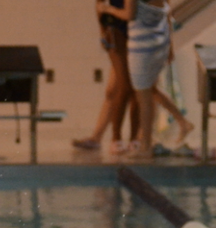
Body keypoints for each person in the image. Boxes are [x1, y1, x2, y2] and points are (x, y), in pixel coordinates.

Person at [98, 0, 192, 158]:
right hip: (158, 41)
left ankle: (146, 145)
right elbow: (167, 15)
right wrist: (169, 46)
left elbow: (129, 14)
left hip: (142, 45)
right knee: (150, 90)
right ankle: (182, 122)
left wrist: (108, 9)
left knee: (143, 96)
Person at [74, 0, 139, 154]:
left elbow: (127, 13)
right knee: (118, 89)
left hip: (137, 33)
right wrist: (103, 31)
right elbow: (100, 6)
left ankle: (137, 137)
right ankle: (105, 137)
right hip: (118, 33)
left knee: (133, 89)